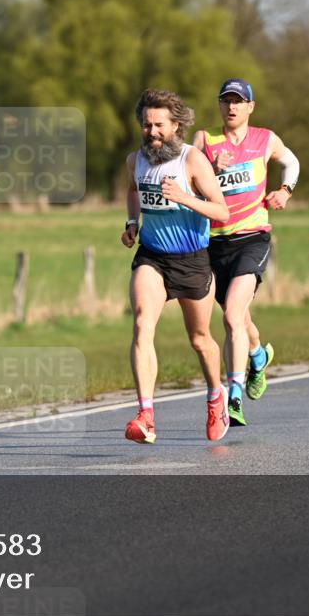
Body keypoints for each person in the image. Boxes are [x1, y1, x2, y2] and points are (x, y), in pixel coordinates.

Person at [122, 89, 232, 444]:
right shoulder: (134, 160)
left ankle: (217, 398)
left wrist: (184, 197)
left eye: (159, 126)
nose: (152, 132)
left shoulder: (192, 160)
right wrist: (132, 223)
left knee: (200, 340)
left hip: (192, 259)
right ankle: (146, 414)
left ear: (177, 125)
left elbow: (222, 211)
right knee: (142, 323)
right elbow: (133, 190)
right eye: (146, 125)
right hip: (152, 257)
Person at [192, 78, 300, 426]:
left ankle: (233, 396)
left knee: (230, 317)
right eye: (226, 101)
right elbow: (187, 183)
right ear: (219, 105)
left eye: (238, 101)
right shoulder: (204, 140)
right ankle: (257, 355)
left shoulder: (265, 139)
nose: (232, 107)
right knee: (240, 319)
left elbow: (292, 162)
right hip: (212, 242)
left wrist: (285, 189)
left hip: (251, 238)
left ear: (250, 106)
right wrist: (211, 169)